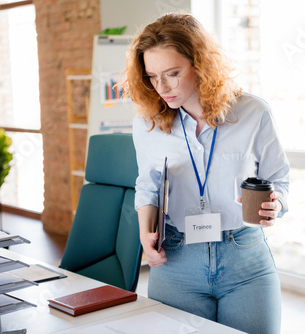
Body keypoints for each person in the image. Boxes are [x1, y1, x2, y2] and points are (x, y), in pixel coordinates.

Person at [125, 12, 289, 334]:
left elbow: (279, 180)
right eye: (153, 77)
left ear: (200, 63)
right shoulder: (147, 124)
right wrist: (146, 235)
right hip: (176, 261)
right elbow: (147, 187)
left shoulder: (252, 113)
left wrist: (276, 205)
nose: (162, 87)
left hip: (245, 258)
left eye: (173, 73)